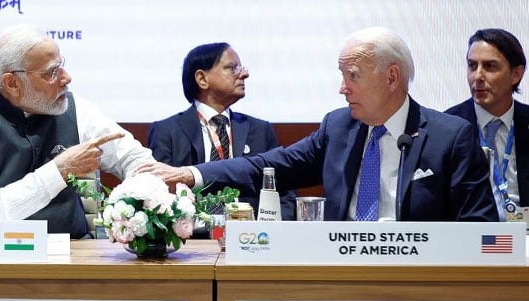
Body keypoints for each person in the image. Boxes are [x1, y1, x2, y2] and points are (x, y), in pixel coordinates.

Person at [138, 27, 498, 222]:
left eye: (352, 76)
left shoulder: (450, 137)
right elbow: (269, 166)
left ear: (392, 77)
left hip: (419, 287)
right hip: (337, 277)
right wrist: (191, 174)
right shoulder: (339, 128)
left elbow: (481, 232)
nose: (342, 88)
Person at [0, 24, 155, 238]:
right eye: (52, 72)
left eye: (61, 65)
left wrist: (135, 202)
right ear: (12, 83)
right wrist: (58, 171)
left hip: (72, 253)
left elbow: (135, 158)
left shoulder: (72, 107)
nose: (66, 78)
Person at [148, 42, 296, 221]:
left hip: (253, 238)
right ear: (202, 79)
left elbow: (285, 193)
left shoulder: (260, 130)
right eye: (232, 68)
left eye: (241, 68)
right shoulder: (167, 131)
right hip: (190, 239)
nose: (244, 74)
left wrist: (272, 232)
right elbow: (158, 194)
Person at [445, 28, 528, 220]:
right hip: (467, 239)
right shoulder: (447, 127)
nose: (477, 77)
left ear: (516, 74)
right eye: (472, 66)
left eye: (490, 67)